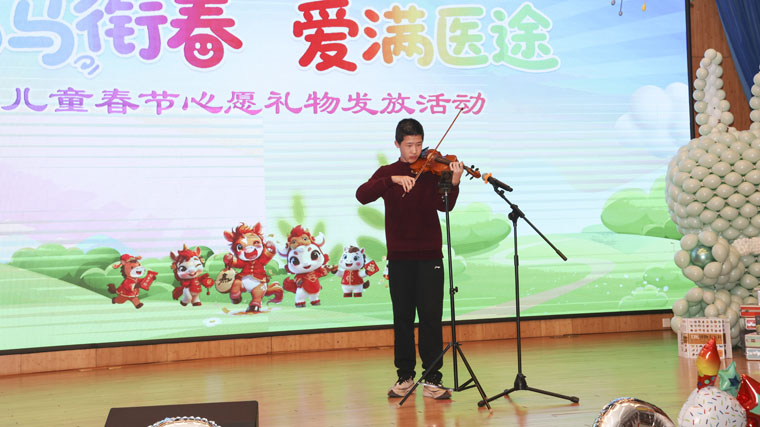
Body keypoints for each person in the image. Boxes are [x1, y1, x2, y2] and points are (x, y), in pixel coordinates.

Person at [356, 118, 464, 400]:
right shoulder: (387, 173)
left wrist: (453, 183)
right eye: (409, 145)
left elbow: (445, 206)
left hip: (430, 256)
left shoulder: (432, 171)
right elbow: (362, 195)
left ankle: (433, 379)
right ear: (397, 144)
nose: (415, 151)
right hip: (400, 258)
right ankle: (405, 376)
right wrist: (391, 180)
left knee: (431, 318)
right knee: (402, 318)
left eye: (418, 144)